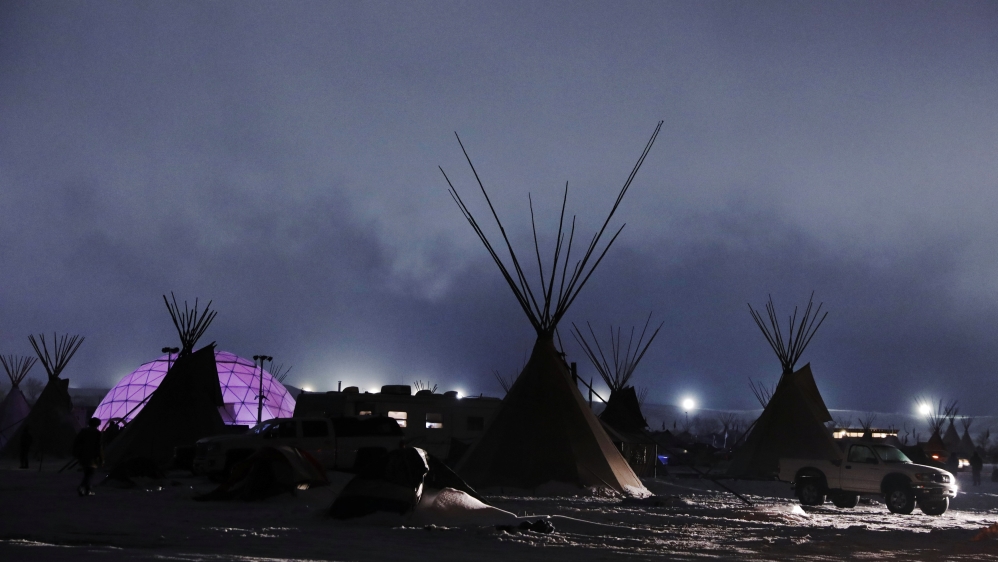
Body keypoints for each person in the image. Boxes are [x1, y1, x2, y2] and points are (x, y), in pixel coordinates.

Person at [72, 418, 103, 496]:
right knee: (90, 473)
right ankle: (82, 487)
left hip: (83, 455)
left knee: (87, 473)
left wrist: (77, 453)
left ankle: (87, 490)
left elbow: (76, 442)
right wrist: (100, 458)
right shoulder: (97, 433)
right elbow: (98, 446)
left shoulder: (83, 432)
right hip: (92, 456)